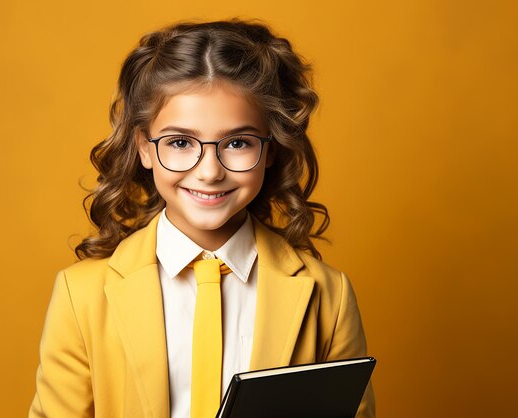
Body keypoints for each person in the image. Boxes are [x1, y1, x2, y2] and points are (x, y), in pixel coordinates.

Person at [29, 19, 375, 418]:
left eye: (238, 142)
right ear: (144, 147)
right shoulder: (82, 295)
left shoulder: (329, 296)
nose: (209, 171)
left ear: (271, 150)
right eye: (179, 142)